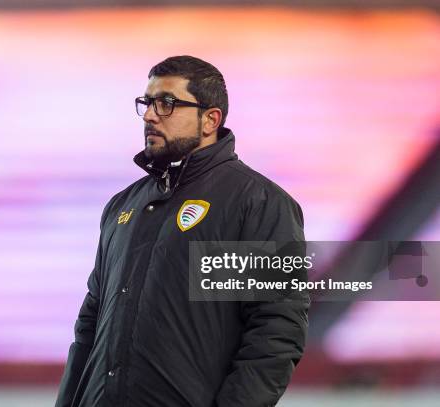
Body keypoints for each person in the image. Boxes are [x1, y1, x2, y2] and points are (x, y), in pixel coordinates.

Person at [55, 55, 309, 407]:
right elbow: (89, 326)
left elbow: (275, 331)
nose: (149, 115)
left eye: (167, 103)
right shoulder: (121, 206)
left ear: (210, 119)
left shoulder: (258, 203)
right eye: (147, 103)